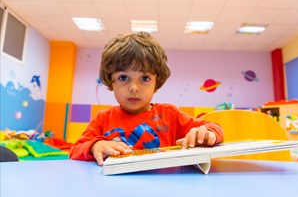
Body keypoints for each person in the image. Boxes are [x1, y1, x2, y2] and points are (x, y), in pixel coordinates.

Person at [69, 32, 224, 166]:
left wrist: (206, 133)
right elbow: (75, 150)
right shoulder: (103, 119)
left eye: (144, 78)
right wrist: (95, 146)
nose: (134, 87)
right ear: (111, 81)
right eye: (123, 77)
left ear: (157, 81)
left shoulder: (170, 114)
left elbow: (214, 127)